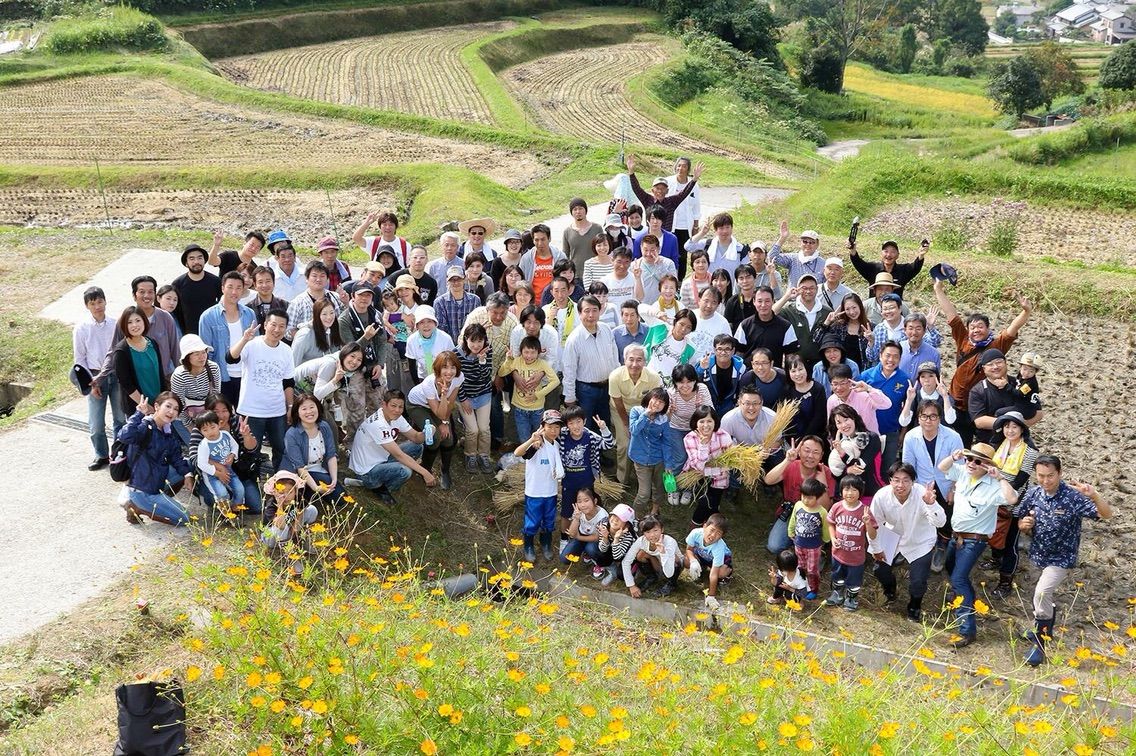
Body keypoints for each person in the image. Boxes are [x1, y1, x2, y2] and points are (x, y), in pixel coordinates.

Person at [1015, 455, 1113, 666]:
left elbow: (1106, 514)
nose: (1046, 480)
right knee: (1040, 598)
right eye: (1041, 476)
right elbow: (1020, 521)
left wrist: (1094, 495)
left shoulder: (1072, 496)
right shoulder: (1033, 493)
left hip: (1061, 558)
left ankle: (1039, 645)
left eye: (1050, 476)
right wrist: (1024, 525)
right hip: (1038, 554)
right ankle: (1043, 629)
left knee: (1041, 594)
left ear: (1059, 473)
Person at [937, 443, 1018, 647]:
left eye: (977, 461)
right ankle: (963, 602)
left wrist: (1000, 478)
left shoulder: (993, 485)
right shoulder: (963, 472)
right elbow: (942, 468)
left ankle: (967, 629)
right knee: (952, 571)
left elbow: (1012, 498)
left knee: (959, 578)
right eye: (969, 459)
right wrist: (954, 457)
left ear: (987, 465)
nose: (971, 463)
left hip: (975, 540)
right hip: (956, 536)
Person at [933, 278, 1032, 446]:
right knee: (958, 444)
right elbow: (951, 315)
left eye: (980, 326)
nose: (976, 330)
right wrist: (938, 290)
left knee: (985, 446)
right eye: (972, 327)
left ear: (987, 328)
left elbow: (1012, 329)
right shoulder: (963, 339)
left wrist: (1026, 312)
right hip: (958, 403)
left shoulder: (996, 345)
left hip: (983, 405)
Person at [867, 462, 945, 622]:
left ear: (913, 481)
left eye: (906, 480)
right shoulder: (881, 496)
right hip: (892, 535)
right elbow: (874, 524)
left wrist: (931, 504)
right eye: (896, 480)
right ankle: (890, 590)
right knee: (880, 571)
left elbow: (940, 522)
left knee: (918, 581)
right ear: (890, 481)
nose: (900, 485)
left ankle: (914, 606)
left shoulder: (923, 494)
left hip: (920, 540)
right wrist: (876, 548)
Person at [228, 308, 295, 471]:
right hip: (251, 411)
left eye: (282, 326)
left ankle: (282, 481)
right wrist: (244, 339)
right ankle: (252, 481)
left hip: (277, 411)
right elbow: (230, 358)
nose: (277, 330)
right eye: (273, 325)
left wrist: (290, 407)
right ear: (265, 325)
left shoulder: (286, 350)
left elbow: (288, 382)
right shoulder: (251, 345)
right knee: (251, 451)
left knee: (281, 449)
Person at [345, 390, 434, 504]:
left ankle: (385, 477)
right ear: (384, 404)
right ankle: (380, 488)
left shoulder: (396, 417)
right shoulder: (378, 424)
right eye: (393, 406)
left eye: (400, 407)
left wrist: (427, 433)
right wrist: (425, 473)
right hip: (367, 471)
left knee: (417, 447)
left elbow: (416, 438)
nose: (397, 410)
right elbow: (399, 455)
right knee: (405, 471)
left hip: (381, 457)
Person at [119, 392, 195, 526]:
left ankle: (160, 501)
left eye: (176, 409)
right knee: (185, 519)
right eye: (168, 406)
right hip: (141, 489)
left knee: (189, 465)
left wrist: (188, 475)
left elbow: (177, 458)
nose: (171, 411)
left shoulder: (168, 432)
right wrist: (138, 414)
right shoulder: (145, 426)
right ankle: (137, 507)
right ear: (156, 406)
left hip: (155, 482)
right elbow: (124, 436)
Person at [900, 400, 964, 557]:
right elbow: (908, 466)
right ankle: (918, 544)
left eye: (933, 416)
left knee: (946, 515)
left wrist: (954, 489)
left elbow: (960, 466)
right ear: (918, 418)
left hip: (947, 483)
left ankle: (942, 544)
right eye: (924, 416)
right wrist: (912, 490)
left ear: (940, 418)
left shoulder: (953, 437)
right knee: (921, 515)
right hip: (922, 483)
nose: (928, 420)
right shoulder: (911, 436)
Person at [987, 409, 1039, 598]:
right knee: (994, 531)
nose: (1010, 430)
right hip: (995, 499)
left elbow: (1020, 480)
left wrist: (1001, 485)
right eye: (1007, 426)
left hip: (1016, 503)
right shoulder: (999, 445)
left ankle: (1005, 582)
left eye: (1014, 427)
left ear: (1022, 429)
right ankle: (995, 559)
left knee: (1010, 542)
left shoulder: (1030, 452)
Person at [187, 394, 263, 517]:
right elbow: (195, 458)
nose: (221, 415)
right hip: (213, 474)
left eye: (224, 410)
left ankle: (234, 505)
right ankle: (223, 507)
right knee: (216, 498)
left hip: (238, 472)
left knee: (256, 506)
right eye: (215, 411)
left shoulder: (236, 422)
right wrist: (219, 468)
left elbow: (252, 449)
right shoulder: (202, 428)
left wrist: (246, 435)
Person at [74, 286, 124, 470]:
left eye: (100, 302)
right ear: (87, 306)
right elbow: (79, 359)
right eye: (92, 303)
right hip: (94, 377)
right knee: (96, 423)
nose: (97, 306)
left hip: (116, 375)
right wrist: (90, 384)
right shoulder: (81, 328)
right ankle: (101, 454)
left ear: (105, 301)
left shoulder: (116, 324)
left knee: (121, 419)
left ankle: (119, 453)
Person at [763, 436, 835, 555]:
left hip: (814, 517)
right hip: (791, 512)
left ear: (821, 455)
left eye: (815, 452)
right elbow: (768, 480)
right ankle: (796, 542)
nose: (810, 456)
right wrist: (787, 460)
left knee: (810, 548)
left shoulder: (825, 472)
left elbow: (826, 507)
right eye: (807, 450)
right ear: (799, 451)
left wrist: (822, 485)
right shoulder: (791, 465)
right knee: (774, 547)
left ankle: (811, 546)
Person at [198, 271, 257, 406]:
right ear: (222, 288)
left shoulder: (249, 313)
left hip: (246, 375)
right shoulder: (208, 316)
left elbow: (256, 344)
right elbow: (206, 352)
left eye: (238, 288)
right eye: (230, 287)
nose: (234, 292)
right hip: (222, 376)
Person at [562, 295, 619, 432]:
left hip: (607, 388)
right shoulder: (574, 339)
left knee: (604, 424)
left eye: (594, 310)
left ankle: (603, 446)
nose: (591, 315)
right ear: (580, 313)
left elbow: (614, 358)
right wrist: (569, 397)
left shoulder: (606, 329)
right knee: (585, 427)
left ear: (600, 311)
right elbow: (569, 370)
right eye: (587, 311)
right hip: (586, 391)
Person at [406, 351, 463, 490]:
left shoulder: (459, 378)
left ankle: (445, 471)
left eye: (453, 367)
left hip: (437, 407)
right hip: (417, 405)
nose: (449, 372)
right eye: (445, 367)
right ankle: (425, 468)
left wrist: (445, 423)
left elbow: (450, 404)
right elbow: (439, 412)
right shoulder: (428, 384)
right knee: (434, 436)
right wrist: (443, 394)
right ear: (438, 369)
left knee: (448, 438)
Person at [607, 344, 662, 485]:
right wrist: (627, 425)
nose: (634, 364)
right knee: (625, 444)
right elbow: (618, 403)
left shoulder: (654, 377)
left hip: (644, 411)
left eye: (639, 360)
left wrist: (643, 420)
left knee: (646, 440)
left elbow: (654, 402)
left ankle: (645, 477)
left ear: (645, 361)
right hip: (621, 411)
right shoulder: (615, 376)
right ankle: (622, 479)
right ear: (624, 360)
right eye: (631, 359)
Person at [515, 409, 566, 562]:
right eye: (550, 427)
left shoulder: (557, 445)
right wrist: (532, 440)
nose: (554, 431)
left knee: (549, 519)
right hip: (534, 492)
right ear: (542, 426)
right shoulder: (537, 444)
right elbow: (518, 453)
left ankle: (546, 543)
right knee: (532, 520)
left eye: (557, 427)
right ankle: (528, 545)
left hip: (550, 491)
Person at [281, 393, 344, 506]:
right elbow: (299, 467)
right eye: (304, 409)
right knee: (312, 490)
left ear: (318, 408)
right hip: (297, 472)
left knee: (340, 499)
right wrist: (315, 487)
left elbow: (331, 455)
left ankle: (311, 493)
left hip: (319, 468)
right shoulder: (292, 434)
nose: (309, 412)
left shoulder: (324, 426)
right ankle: (307, 492)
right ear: (297, 412)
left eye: (312, 407)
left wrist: (334, 479)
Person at [968, 348, 1043, 445]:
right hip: (990, 443)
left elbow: (1038, 413)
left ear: (1006, 363)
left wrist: (1018, 425)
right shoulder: (978, 390)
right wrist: (1013, 424)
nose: (995, 367)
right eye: (990, 364)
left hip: (1018, 443)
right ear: (984, 368)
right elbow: (980, 421)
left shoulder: (1019, 383)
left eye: (999, 362)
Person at [336, 281, 388, 413]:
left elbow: (382, 341)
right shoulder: (344, 319)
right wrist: (366, 337)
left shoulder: (376, 315)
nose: (364, 298)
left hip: (374, 367)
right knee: (356, 411)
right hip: (354, 369)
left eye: (368, 295)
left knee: (380, 407)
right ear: (353, 296)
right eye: (361, 295)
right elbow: (349, 351)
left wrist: (380, 364)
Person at [665, 364, 711, 506]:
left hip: (696, 429)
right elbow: (664, 420)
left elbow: (711, 413)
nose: (685, 386)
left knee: (693, 459)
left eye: (689, 381)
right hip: (676, 427)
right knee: (679, 457)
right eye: (680, 382)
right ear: (675, 382)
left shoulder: (702, 390)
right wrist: (669, 411)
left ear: (695, 380)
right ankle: (673, 487)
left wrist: (700, 409)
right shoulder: (671, 393)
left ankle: (688, 487)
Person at [860, 341, 910, 471]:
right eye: (888, 355)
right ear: (880, 355)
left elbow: (908, 408)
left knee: (888, 469)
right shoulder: (865, 376)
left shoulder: (905, 379)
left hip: (891, 432)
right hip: (867, 432)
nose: (891, 360)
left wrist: (903, 432)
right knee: (867, 468)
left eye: (896, 356)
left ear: (900, 359)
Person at [825, 476, 873, 611]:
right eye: (846, 489)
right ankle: (837, 594)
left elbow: (873, 535)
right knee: (837, 576)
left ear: (860, 492)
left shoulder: (865, 511)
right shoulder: (837, 507)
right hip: (838, 554)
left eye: (854, 490)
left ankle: (851, 598)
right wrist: (832, 538)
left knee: (854, 581)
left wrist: (868, 523)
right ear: (841, 491)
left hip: (856, 557)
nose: (850, 493)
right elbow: (830, 523)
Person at [681, 406, 734, 527]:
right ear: (696, 423)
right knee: (706, 501)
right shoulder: (689, 438)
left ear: (715, 422)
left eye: (709, 421)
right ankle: (697, 523)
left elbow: (729, 464)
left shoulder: (723, 436)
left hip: (719, 475)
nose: (706, 425)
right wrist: (703, 446)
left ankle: (703, 520)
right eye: (702, 421)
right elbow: (698, 467)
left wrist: (709, 471)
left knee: (711, 502)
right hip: (697, 475)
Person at [260, 469, 320, 574]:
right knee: (282, 529)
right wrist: (280, 504)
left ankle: (304, 541)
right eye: (281, 492)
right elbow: (280, 525)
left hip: (289, 528)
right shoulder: (271, 505)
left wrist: (296, 525)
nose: (286, 496)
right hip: (272, 536)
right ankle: (291, 555)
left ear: (295, 491)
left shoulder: (298, 497)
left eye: (290, 492)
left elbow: (301, 508)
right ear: (275, 492)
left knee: (312, 509)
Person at [112, 305, 168, 417]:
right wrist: (147, 407)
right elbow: (126, 384)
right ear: (124, 325)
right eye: (129, 322)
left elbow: (160, 373)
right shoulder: (121, 351)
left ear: (144, 321)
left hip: (158, 403)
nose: (134, 325)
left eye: (138, 320)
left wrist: (162, 402)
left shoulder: (152, 343)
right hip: (138, 408)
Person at [624, 154, 700, 233]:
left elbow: (684, 192)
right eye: (657, 188)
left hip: (666, 236)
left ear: (667, 191)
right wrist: (631, 173)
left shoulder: (672, 202)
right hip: (651, 237)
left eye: (663, 189)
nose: (660, 191)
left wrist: (694, 179)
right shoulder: (647, 200)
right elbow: (637, 189)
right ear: (652, 190)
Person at [457, 323, 496, 474]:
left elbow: (486, 377)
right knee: (473, 430)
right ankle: (470, 455)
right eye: (472, 341)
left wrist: (481, 361)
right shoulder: (457, 353)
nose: (476, 345)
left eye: (480, 341)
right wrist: (463, 399)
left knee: (484, 428)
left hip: (483, 393)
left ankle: (484, 455)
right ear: (466, 339)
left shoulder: (487, 351)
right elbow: (456, 380)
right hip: (464, 396)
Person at [827, 404, 884, 501]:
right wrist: (847, 471)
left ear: (854, 418)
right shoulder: (840, 443)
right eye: (839, 423)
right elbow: (836, 474)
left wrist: (842, 453)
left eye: (846, 419)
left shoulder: (871, 438)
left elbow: (860, 467)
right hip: (848, 496)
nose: (844, 425)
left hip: (872, 493)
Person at [194, 410, 245, 518]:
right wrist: (217, 473)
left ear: (219, 424)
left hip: (228, 470)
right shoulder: (204, 445)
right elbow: (201, 464)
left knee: (240, 489)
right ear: (200, 431)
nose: (210, 432)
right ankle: (226, 515)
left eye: (213, 427)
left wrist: (232, 455)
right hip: (212, 475)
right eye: (205, 430)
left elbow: (235, 445)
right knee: (221, 493)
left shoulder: (225, 435)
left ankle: (235, 509)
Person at [170, 333, 221, 439]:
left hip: (207, 413)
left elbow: (216, 396)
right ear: (187, 357)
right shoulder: (179, 375)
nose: (202, 357)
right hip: (184, 417)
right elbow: (179, 405)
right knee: (196, 445)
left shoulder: (213, 368)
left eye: (203, 352)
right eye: (196, 354)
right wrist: (191, 428)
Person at [628, 387, 670, 516]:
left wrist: (668, 464)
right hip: (641, 459)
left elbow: (666, 442)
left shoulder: (663, 419)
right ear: (649, 398)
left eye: (661, 402)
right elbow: (634, 431)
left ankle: (654, 511)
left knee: (659, 488)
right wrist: (646, 414)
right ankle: (635, 516)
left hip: (658, 459)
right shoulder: (636, 411)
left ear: (665, 406)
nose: (657, 403)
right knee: (644, 494)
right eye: (655, 399)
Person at [773, 275, 830, 369]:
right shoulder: (789, 310)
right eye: (804, 288)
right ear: (798, 289)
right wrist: (786, 297)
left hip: (820, 364)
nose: (808, 291)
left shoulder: (826, 311)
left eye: (811, 288)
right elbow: (771, 313)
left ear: (817, 289)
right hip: (795, 365)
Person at [788, 477, 831, 599]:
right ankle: (801, 585)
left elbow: (826, 527)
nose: (806, 500)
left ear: (817, 497)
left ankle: (813, 588)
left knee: (812, 569)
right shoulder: (798, 505)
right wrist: (790, 531)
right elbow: (793, 519)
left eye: (810, 498)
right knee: (800, 566)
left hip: (814, 547)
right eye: (804, 496)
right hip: (798, 544)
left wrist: (826, 539)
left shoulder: (822, 512)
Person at [622, 515, 685, 598]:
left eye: (655, 530)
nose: (652, 535)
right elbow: (626, 561)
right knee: (640, 554)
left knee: (674, 558)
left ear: (662, 529)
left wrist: (663, 552)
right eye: (648, 532)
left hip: (671, 567)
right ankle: (652, 577)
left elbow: (669, 573)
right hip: (657, 563)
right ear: (643, 533)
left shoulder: (669, 542)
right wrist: (631, 585)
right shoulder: (641, 541)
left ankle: (671, 584)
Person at [733, 286, 797, 367]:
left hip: (775, 372)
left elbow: (790, 356)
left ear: (773, 301)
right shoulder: (745, 325)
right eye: (759, 301)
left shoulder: (785, 326)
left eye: (767, 301)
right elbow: (738, 354)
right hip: (750, 372)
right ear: (754, 302)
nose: (763, 305)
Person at [825, 364, 891, 435]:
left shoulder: (865, 395)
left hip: (870, 439)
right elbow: (832, 425)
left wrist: (869, 389)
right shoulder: (832, 400)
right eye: (835, 384)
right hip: (845, 441)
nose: (839, 388)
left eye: (842, 383)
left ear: (850, 381)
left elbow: (887, 405)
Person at [685, 513, 733, 610]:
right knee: (686, 561)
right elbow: (689, 549)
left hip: (721, 558)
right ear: (704, 526)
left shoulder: (719, 547)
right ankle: (701, 567)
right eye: (712, 530)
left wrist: (711, 596)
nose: (713, 535)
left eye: (718, 533)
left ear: (722, 536)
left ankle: (728, 571)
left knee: (720, 573)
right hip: (702, 554)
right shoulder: (695, 533)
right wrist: (693, 561)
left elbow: (714, 573)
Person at [849, 239, 926, 299]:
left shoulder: (903, 270)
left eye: (893, 252)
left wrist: (921, 255)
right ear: (881, 253)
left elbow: (915, 267)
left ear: (898, 255)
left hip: (895, 309)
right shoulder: (873, 268)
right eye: (886, 251)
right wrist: (852, 250)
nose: (889, 255)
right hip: (875, 310)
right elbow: (858, 263)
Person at [171, 243, 220, 336]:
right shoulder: (177, 284)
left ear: (204, 260)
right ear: (186, 263)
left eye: (199, 258)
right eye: (192, 258)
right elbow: (174, 311)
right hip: (188, 334)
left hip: (212, 331)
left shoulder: (215, 281)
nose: (196, 262)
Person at [286, 261, 341, 342]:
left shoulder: (335, 297)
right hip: (307, 347)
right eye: (314, 276)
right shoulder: (297, 302)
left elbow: (343, 323)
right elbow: (287, 331)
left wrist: (346, 303)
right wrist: (305, 336)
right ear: (307, 279)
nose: (318, 279)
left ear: (327, 279)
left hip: (333, 344)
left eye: (322, 276)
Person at [684, 212, 749, 278]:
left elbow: (745, 272)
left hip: (731, 284)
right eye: (721, 228)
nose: (725, 231)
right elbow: (688, 246)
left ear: (732, 228)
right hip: (710, 284)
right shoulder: (707, 244)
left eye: (727, 227)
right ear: (716, 230)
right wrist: (702, 233)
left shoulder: (741, 249)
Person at [666, 156, 701, 277]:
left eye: (684, 166)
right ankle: (669, 278)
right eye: (679, 165)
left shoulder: (694, 185)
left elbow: (696, 206)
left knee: (682, 255)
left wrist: (696, 226)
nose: (681, 168)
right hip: (670, 224)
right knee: (669, 252)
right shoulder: (668, 182)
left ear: (688, 169)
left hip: (685, 226)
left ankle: (680, 280)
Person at [818, 293, 872, 369]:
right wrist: (827, 322)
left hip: (863, 370)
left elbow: (874, 356)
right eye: (847, 309)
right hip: (841, 371)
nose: (852, 312)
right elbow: (817, 339)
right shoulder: (838, 326)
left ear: (860, 306)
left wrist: (871, 341)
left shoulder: (870, 327)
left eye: (854, 307)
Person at [897, 362, 957, 430]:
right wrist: (909, 401)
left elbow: (951, 420)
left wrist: (945, 397)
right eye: (923, 376)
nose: (926, 380)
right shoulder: (914, 396)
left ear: (937, 378)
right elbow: (903, 422)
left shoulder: (944, 396)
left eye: (931, 376)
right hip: (919, 435)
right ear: (919, 380)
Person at [405, 305, 456, 382]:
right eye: (421, 322)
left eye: (429, 321)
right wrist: (418, 384)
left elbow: (453, 361)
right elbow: (412, 366)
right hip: (423, 378)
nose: (426, 325)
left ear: (435, 323)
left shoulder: (445, 338)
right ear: (417, 325)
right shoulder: (411, 340)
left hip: (444, 377)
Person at [696, 334, 744, 415]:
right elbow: (694, 382)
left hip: (729, 410)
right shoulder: (705, 363)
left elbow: (743, 391)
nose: (723, 352)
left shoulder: (741, 368)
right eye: (720, 349)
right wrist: (701, 369)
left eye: (727, 349)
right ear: (714, 350)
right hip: (706, 409)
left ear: (733, 350)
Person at [560, 487, 609, 565]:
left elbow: (596, 538)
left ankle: (596, 560)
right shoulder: (578, 511)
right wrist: (576, 518)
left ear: (595, 501)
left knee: (590, 549)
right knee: (564, 559)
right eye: (579, 501)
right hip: (581, 534)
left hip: (596, 540)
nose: (583, 505)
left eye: (586, 500)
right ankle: (585, 550)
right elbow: (572, 534)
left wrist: (578, 537)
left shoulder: (602, 516)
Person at [784, 354, 827, 441]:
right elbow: (786, 419)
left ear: (806, 368)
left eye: (800, 369)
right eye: (793, 371)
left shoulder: (818, 389)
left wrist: (806, 439)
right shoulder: (787, 390)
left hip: (815, 438)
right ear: (788, 373)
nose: (798, 374)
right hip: (794, 439)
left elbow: (819, 417)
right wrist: (795, 440)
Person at [434, 265, 481, 342]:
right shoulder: (439, 302)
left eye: (459, 279)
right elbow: (441, 329)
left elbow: (478, 327)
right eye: (452, 280)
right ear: (447, 281)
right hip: (448, 345)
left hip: (470, 344)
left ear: (465, 279)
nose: (456, 282)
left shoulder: (475, 300)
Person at [769, 222, 825, 287]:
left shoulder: (823, 263)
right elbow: (772, 257)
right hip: (793, 293)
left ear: (817, 245)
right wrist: (782, 238)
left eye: (812, 242)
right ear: (800, 243)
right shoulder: (792, 258)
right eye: (805, 242)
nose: (808, 244)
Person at [594, 503, 638, 586]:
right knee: (600, 557)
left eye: (621, 518)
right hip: (614, 547)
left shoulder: (628, 535)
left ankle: (635, 565)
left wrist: (617, 538)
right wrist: (605, 537)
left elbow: (617, 556)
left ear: (627, 524)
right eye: (614, 516)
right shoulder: (603, 526)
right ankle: (612, 571)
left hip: (627, 553)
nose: (615, 520)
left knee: (622, 575)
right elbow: (602, 549)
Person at [290, 297, 344, 364]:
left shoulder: (335, 329)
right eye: (324, 314)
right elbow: (293, 363)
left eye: (332, 313)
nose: (329, 317)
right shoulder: (305, 335)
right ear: (317, 315)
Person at [645, 308, 696, 377]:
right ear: (675, 322)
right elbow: (640, 308)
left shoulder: (691, 348)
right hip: (648, 378)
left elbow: (690, 370)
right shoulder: (661, 328)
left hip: (668, 383)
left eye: (688, 327)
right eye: (681, 324)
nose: (684, 329)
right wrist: (657, 313)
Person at [520, 224, 564, 302]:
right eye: (536, 240)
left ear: (549, 239)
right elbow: (520, 281)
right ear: (533, 240)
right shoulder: (526, 258)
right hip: (533, 303)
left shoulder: (560, 256)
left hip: (555, 302)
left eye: (543, 239)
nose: (540, 243)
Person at [688, 287, 731, 364]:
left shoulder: (723, 323)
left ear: (718, 305)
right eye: (706, 301)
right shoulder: (689, 316)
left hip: (710, 367)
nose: (709, 306)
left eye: (714, 302)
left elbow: (728, 349)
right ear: (699, 300)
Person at [812, 332, 860, 398]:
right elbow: (816, 391)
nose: (832, 354)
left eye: (835, 350)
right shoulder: (818, 367)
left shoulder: (852, 366)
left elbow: (855, 389)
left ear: (841, 351)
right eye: (828, 351)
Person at [246, 266, 289, 337]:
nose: (264, 285)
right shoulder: (248, 309)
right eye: (260, 282)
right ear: (255, 285)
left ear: (274, 282)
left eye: (268, 281)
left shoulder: (285, 306)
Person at [634, 205, 681, 270]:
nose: (655, 222)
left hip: (666, 273)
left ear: (662, 220)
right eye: (652, 218)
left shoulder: (672, 239)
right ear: (648, 220)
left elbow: (675, 262)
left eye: (658, 218)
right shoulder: (639, 239)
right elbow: (636, 260)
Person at [265, 230, 306, 302]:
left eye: (282, 242)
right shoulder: (267, 264)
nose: (280, 245)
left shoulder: (299, 264)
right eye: (277, 243)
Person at [601, 247, 636, 313]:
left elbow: (640, 297)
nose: (622, 266)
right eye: (619, 262)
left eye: (626, 262)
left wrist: (638, 278)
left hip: (630, 316)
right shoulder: (604, 281)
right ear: (612, 260)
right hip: (611, 316)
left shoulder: (635, 278)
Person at [612, 299, 646, 367]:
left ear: (638, 316)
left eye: (632, 315)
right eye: (626, 315)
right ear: (621, 316)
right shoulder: (615, 334)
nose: (629, 319)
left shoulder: (649, 331)